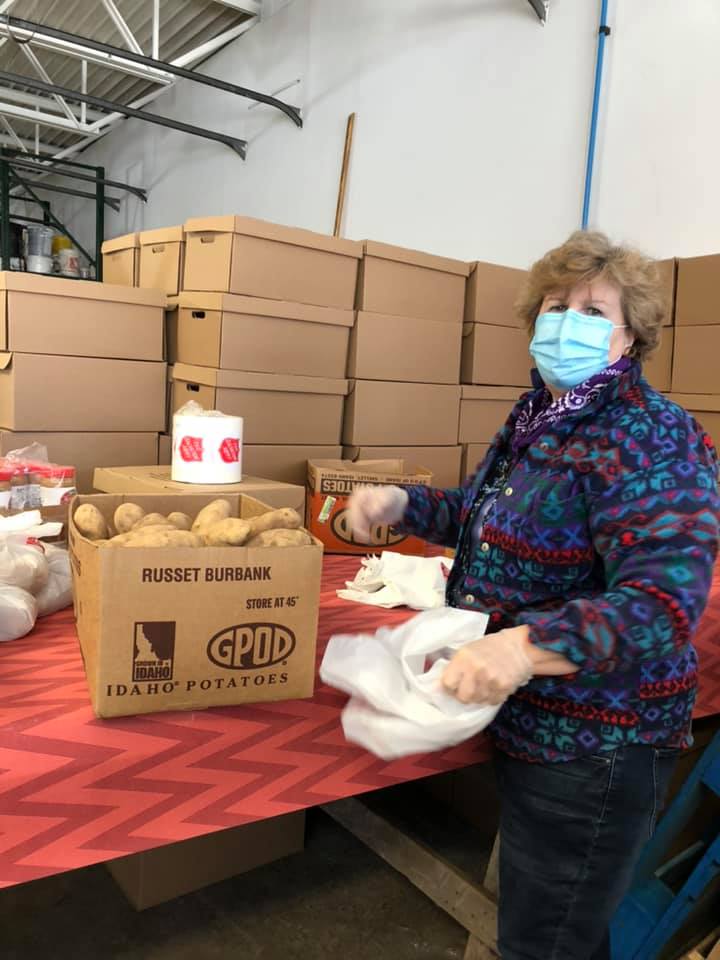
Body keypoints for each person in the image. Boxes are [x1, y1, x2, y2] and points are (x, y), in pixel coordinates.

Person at [347, 230, 720, 960]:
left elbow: (663, 604)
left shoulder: (651, 435)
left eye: (593, 311)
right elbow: (486, 519)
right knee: (561, 930)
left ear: (630, 336)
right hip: (532, 723)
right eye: (556, 306)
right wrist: (405, 505)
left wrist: (523, 649)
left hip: (598, 741)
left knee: (544, 943)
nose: (567, 323)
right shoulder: (538, 420)